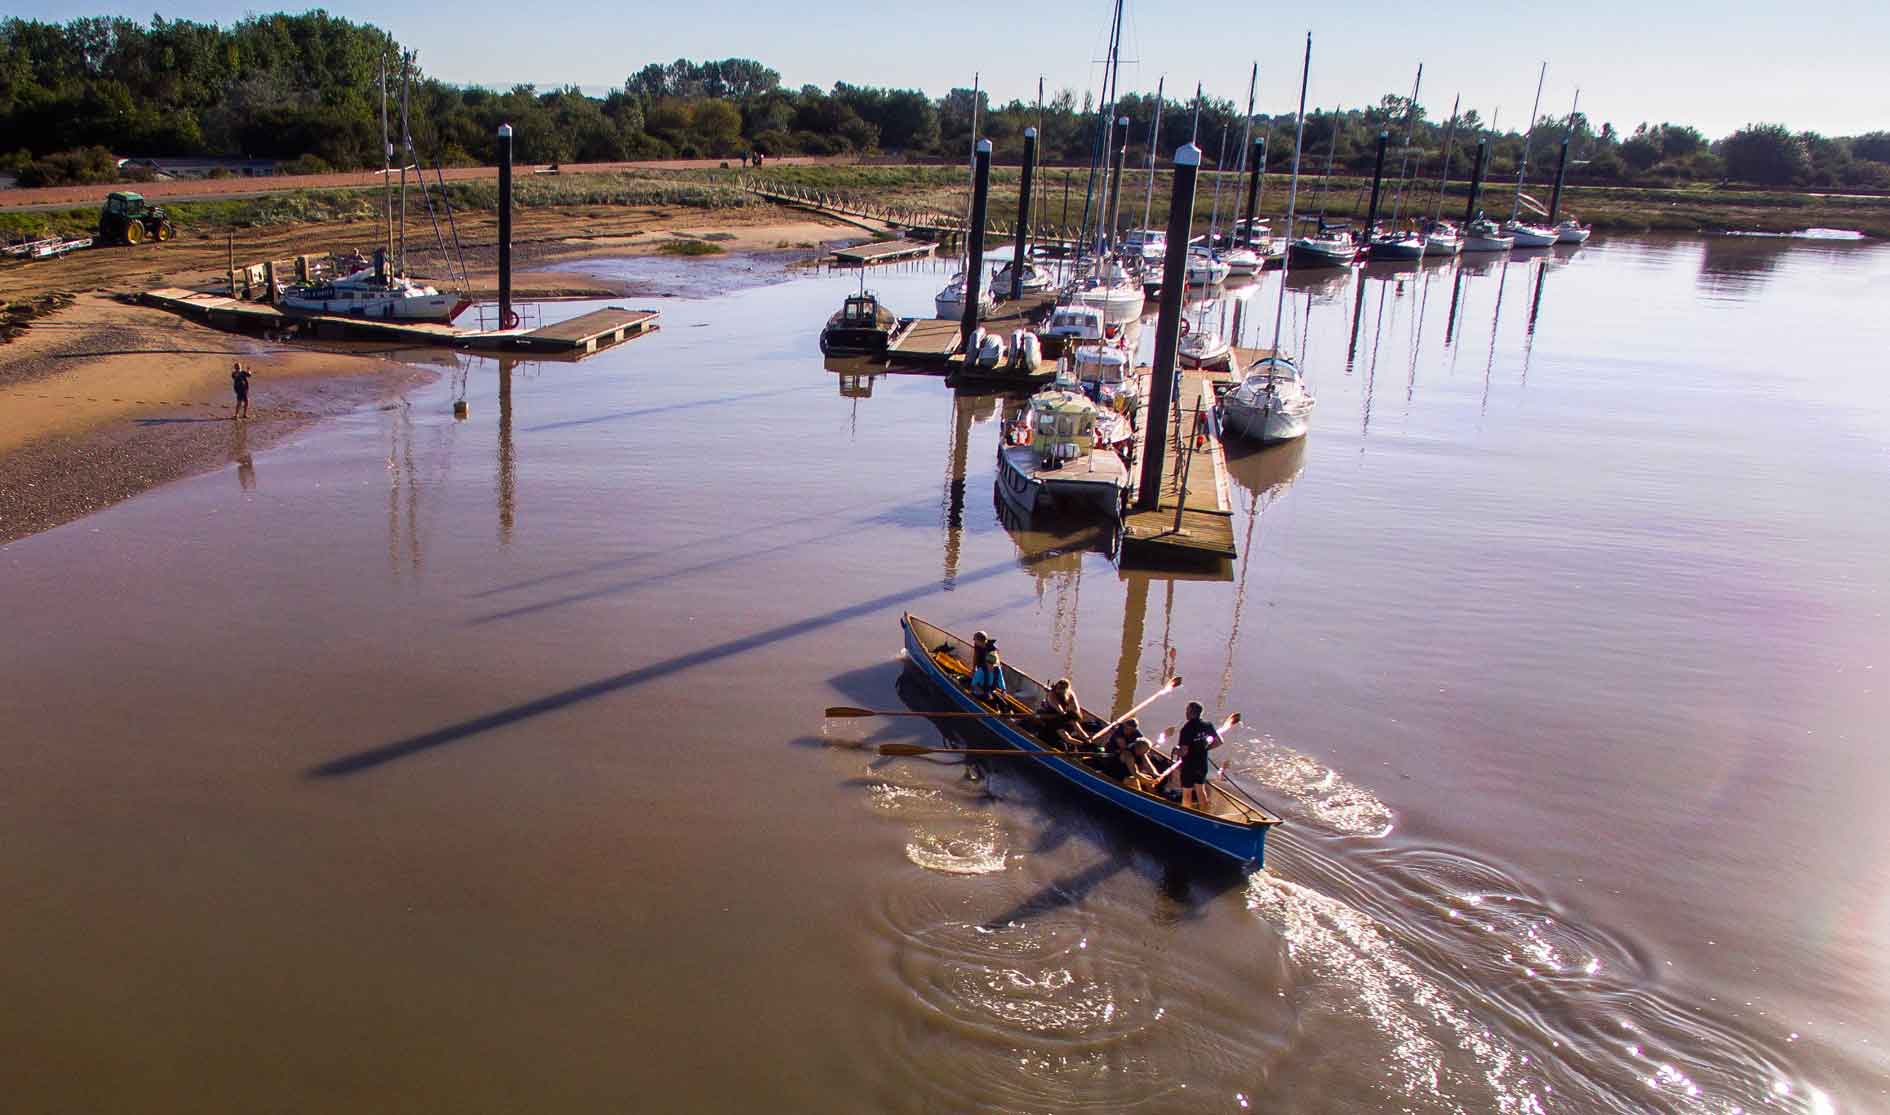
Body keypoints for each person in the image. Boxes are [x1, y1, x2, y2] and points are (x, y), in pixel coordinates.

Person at [1173, 701, 1222, 810]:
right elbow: (1219, 741)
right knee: (1200, 790)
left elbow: (1184, 751)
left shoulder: (1186, 729)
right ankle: (1205, 813)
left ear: (1191, 713)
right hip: (1202, 763)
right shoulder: (1208, 725)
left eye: (1187, 710)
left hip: (1189, 765)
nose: (1185, 713)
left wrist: (1177, 751)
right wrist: (1204, 749)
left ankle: (1186, 815)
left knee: (1187, 792)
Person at [1038, 678, 1091, 748]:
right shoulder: (1052, 695)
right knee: (1067, 738)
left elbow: (1076, 710)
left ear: (1066, 689)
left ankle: (1088, 740)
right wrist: (1066, 715)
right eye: (1058, 688)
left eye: (1062, 689)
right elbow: (1060, 710)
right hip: (1051, 716)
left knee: (1077, 727)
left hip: (1064, 716)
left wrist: (1072, 715)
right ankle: (1083, 746)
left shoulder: (1070, 694)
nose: (1059, 690)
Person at [1101, 718, 1157, 784]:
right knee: (1136, 780)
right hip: (1112, 755)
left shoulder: (1137, 735)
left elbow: (1146, 761)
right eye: (1127, 729)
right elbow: (1124, 748)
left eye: (1131, 730)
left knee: (1147, 777)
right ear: (1124, 726)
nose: (1129, 731)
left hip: (1129, 758)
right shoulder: (1119, 733)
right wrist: (1149, 781)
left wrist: (1155, 774)